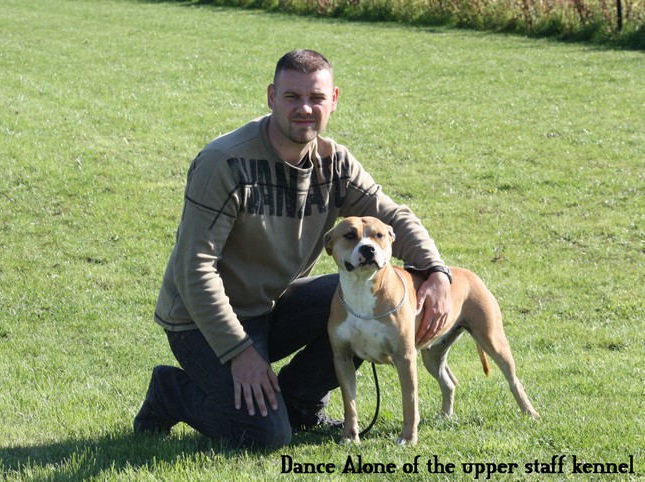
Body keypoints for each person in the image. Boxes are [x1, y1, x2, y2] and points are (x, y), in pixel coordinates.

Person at [134, 49, 452, 449]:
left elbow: (392, 217)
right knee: (264, 434)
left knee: (359, 301)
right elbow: (193, 269)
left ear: (333, 100)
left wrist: (437, 271)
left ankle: (299, 403)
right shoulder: (225, 162)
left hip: (273, 306)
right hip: (200, 321)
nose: (305, 108)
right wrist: (240, 352)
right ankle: (170, 391)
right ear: (271, 97)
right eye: (292, 97)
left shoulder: (334, 162)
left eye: (316, 98)